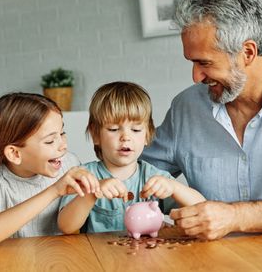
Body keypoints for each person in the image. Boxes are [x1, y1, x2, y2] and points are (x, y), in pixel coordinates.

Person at [141, 0, 262, 240]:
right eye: (192, 62)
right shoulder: (186, 108)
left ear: (247, 52)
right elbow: (139, 175)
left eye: (204, 63)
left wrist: (233, 217)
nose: (196, 77)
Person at [0, 92, 100, 248]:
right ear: (15, 153)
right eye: (50, 141)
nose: (63, 145)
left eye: (62, 133)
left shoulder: (69, 163)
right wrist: (54, 190)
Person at [58, 82, 205, 234]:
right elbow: (66, 226)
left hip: (146, 255)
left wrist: (175, 188)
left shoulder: (153, 176)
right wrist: (91, 194)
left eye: (135, 129)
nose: (126, 137)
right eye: (114, 129)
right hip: (100, 255)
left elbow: (202, 208)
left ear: (147, 135)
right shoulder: (85, 177)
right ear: (96, 135)